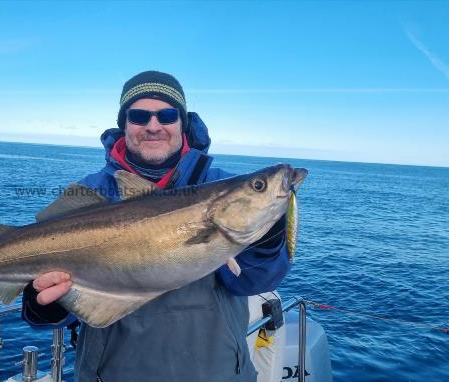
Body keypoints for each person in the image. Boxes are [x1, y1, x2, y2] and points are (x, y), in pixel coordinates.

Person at [21, 70, 290, 381]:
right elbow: (51, 311)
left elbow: (256, 283)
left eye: (166, 114)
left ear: (182, 123)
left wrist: (267, 243)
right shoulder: (90, 194)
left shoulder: (221, 186)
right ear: (124, 125)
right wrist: (47, 308)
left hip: (218, 372)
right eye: (138, 116)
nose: (153, 126)